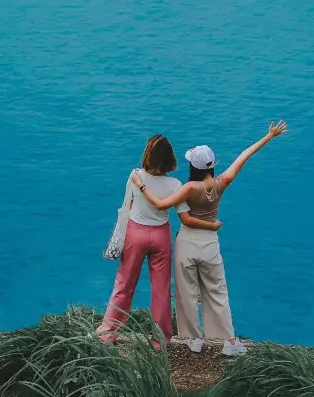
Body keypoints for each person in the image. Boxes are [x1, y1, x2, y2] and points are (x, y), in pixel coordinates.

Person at [131, 121, 288, 355]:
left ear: (193, 166)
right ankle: (230, 342)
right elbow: (244, 155)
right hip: (209, 244)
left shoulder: (187, 188)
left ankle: (194, 339)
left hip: (186, 243)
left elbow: (161, 204)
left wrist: (141, 185)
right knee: (217, 291)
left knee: (187, 292)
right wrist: (269, 137)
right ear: (212, 166)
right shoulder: (221, 183)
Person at [98, 134, 222, 344]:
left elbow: (126, 206)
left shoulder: (135, 175)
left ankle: (107, 334)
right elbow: (185, 216)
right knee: (161, 289)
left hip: (135, 234)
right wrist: (211, 225)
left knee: (124, 284)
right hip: (160, 236)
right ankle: (160, 340)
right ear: (169, 159)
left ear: (148, 155)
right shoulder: (175, 184)